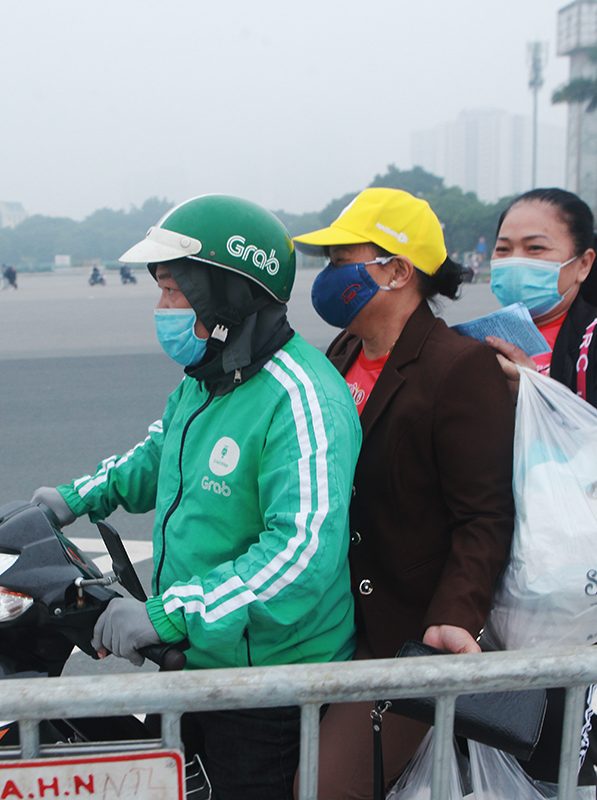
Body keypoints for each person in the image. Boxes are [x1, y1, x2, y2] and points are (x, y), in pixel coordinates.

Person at [31, 195, 361, 800]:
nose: (162, 309)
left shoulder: (301, 399)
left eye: (176, 293)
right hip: (195, 658)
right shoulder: (209, 379)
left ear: (227, 295)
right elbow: (160, 453)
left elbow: (299, 557)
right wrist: (73, 499)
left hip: (269, 685)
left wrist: (164, 614)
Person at [292, 187, 516, 799]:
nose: (328, 274)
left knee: (325, 787)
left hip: (402, 631)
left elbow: (485, 515)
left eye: (342, 258)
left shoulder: (458, 367)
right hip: (331, 620)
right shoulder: (339, 355)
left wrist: (450, 621)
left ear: (396, 270)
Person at [483, 187, 597, 790]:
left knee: (551, 738)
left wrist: (539, 394)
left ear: (582, 264)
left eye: (537, 249)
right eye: (505, 249)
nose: (516, 263)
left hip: (571, 587)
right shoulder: (480, 342)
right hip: (488, 570)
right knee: (483, 727)